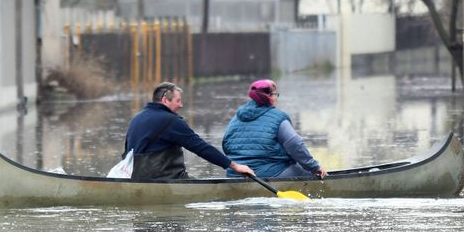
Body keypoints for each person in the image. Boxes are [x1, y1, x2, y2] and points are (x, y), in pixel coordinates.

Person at [125, 82, 254, 180]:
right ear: (165, 100)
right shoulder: (171, 121)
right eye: (178, 101)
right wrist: (234, 166)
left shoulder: (136, 118)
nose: (181, 105)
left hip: (134, 179)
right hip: (165, 180)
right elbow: (201, 148)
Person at [222, 79, 327, 179]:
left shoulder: (235, 118)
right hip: (272, 173)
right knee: (311, 175)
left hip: (235, 174)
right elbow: (295, 144)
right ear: (269, 97)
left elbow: (225, 145)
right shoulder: (278, 117)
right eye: (275, 94)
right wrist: (314, 167)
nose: (277, 98)